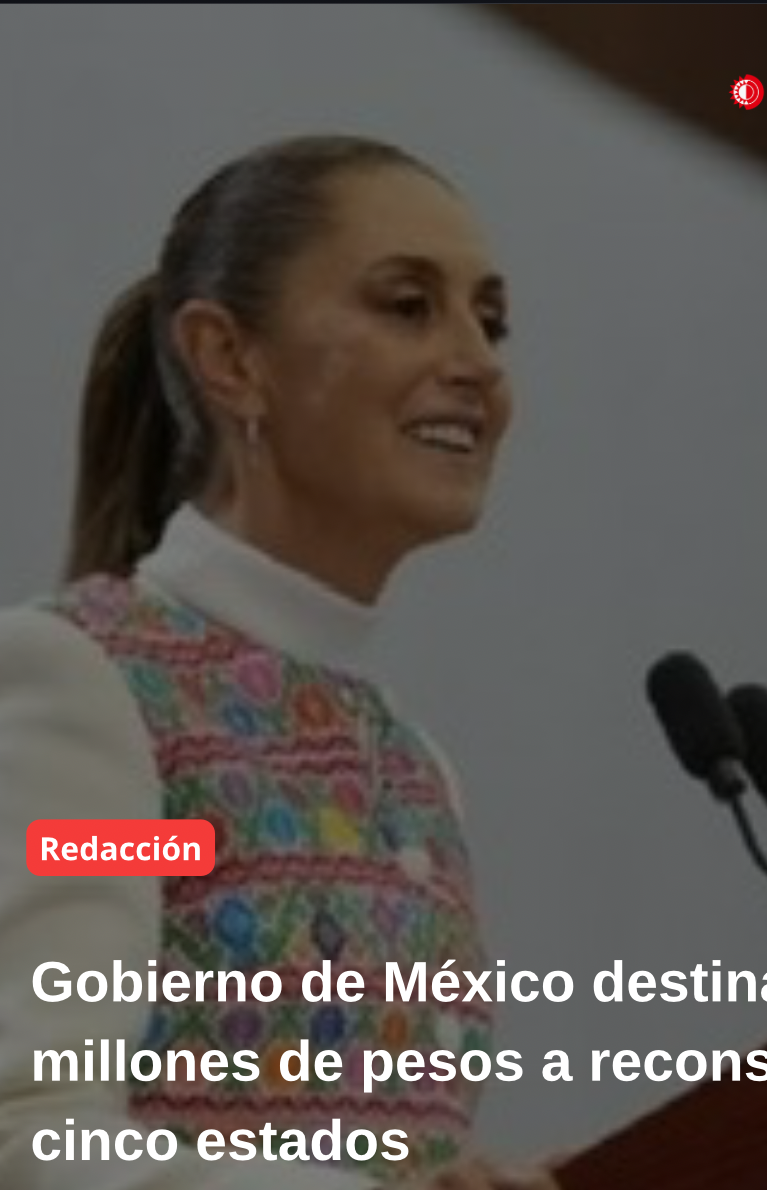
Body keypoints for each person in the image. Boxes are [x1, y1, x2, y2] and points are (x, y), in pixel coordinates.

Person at [0, 134, 557, 1190]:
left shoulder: (415, 769)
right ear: (229, 359)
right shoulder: (90, 686)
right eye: (408, 306)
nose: (479, 363)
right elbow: (30, 1133)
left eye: (490, 323)